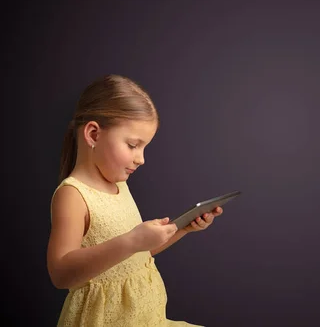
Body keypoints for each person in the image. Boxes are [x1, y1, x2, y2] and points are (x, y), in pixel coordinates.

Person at [47, 74, 223, 326]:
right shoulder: (73, 195)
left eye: (144, 148)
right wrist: (132, 241)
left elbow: (131, 257)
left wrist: (183, 228)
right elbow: (61, 274)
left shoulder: (120, 185)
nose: (141, 159)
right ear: (94, 134)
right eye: (132, 145)